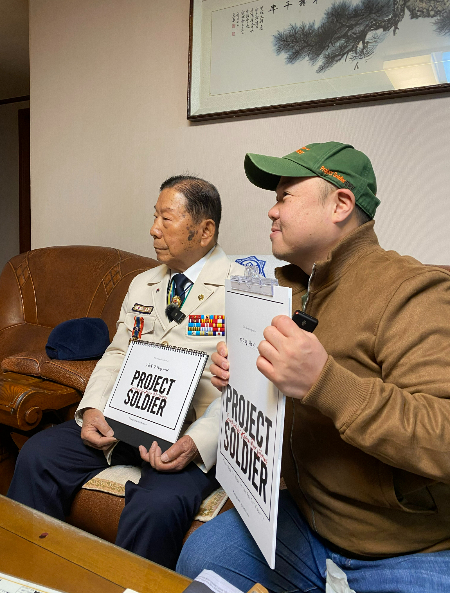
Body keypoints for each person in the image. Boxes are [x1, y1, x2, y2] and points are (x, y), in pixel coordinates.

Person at [176, 142, 450, 592]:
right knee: (201, 558)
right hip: (305, 521)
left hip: (406, 546)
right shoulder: (281, 288)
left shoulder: (413, 293)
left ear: (341, 203)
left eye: (284, 196)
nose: (271, 211)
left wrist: (326, 383)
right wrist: (242, 374)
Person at [8, 175, 244, 570]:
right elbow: (117, 354)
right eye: (155, 217)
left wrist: (196, 442)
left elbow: (248, 391)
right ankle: (28, 574)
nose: (153, 229)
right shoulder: (143, 284)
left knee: (156, 506)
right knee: (38, 455)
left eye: (166, 219)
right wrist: (93, 409)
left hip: (189, 434)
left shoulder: (242, 287)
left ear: (205, 231)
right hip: (126, 419)